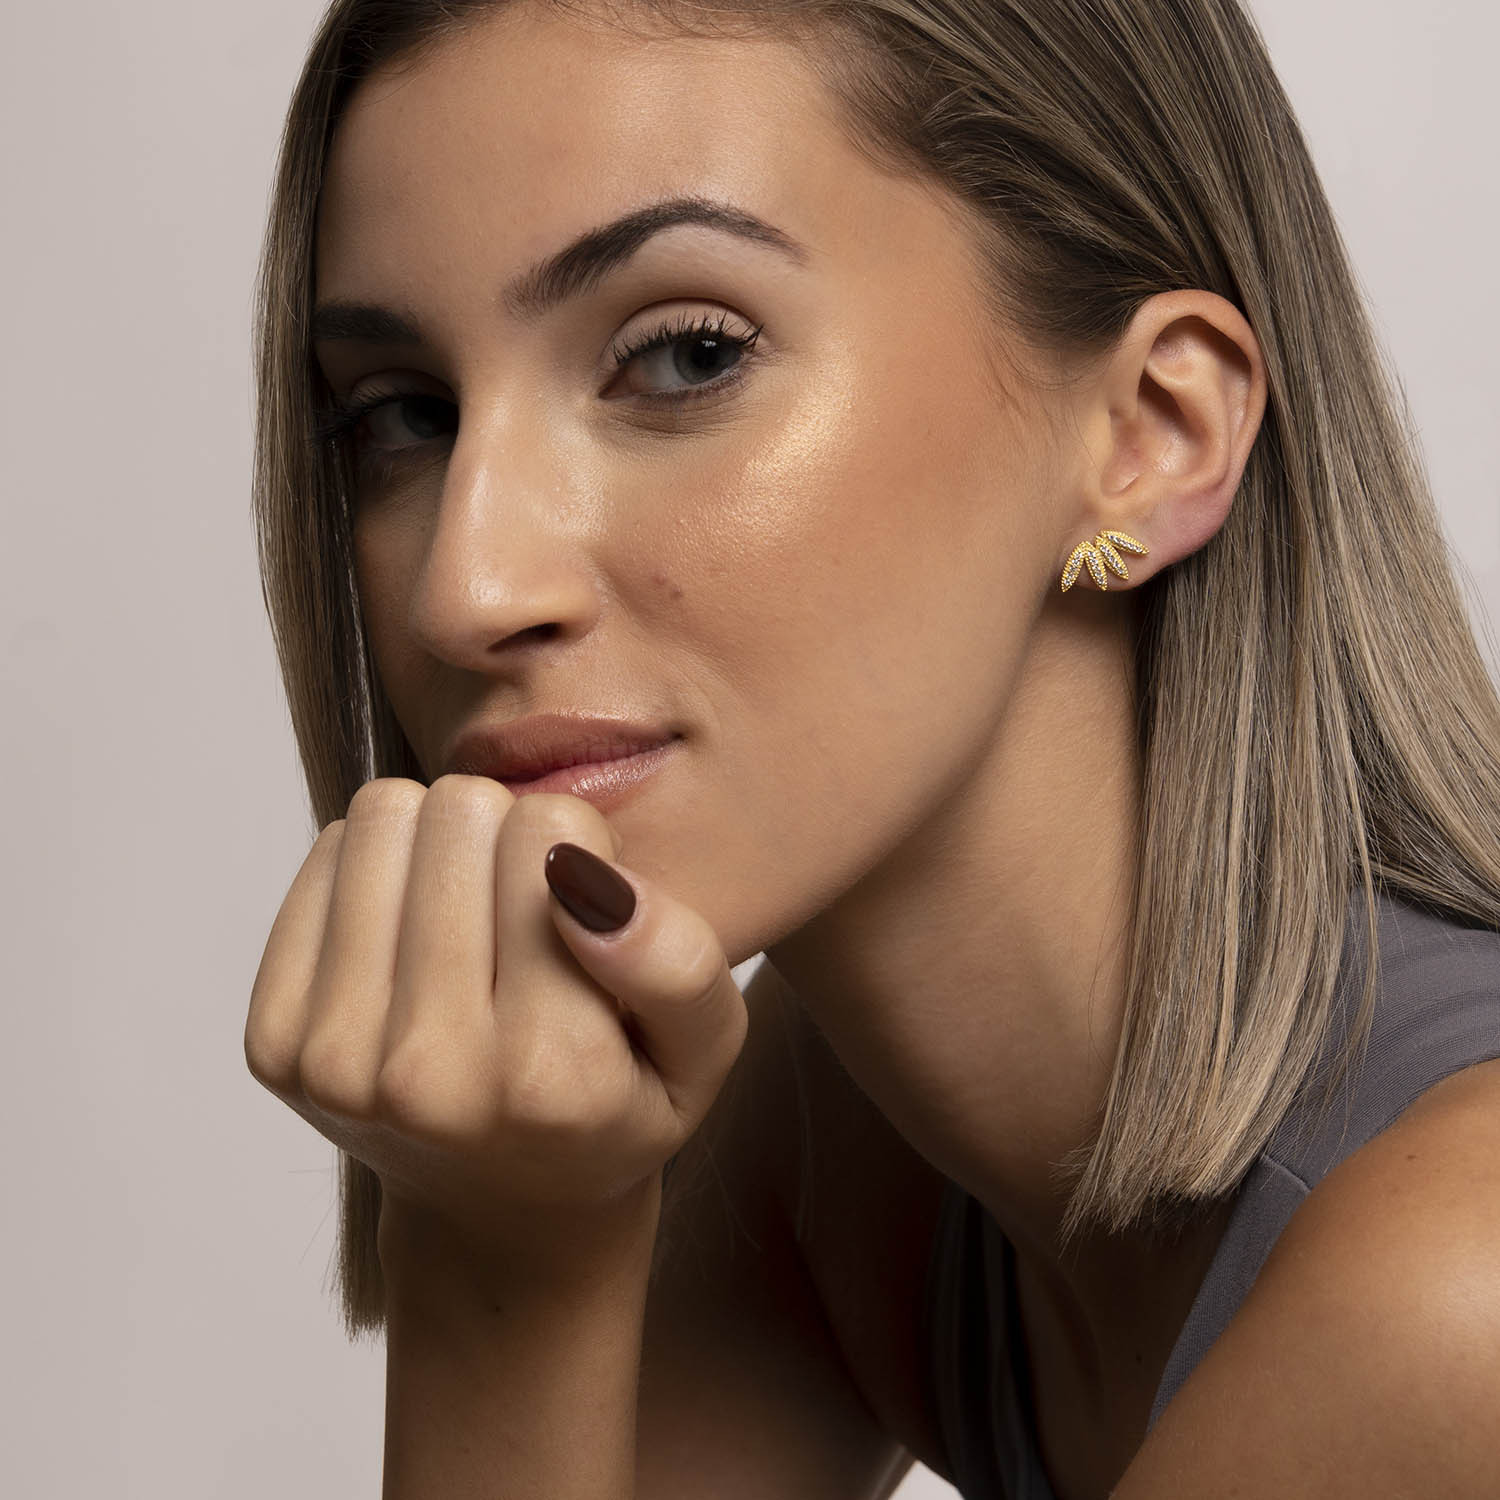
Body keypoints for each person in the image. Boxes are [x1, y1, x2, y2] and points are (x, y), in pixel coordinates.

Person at [242, 1, 1500, 1496]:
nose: (464, 589)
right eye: (402, 416)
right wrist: (505, 1235)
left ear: (1152, 433)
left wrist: (502, 1280)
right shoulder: (850, 1120)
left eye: (685, 356)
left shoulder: (1455, 1303)